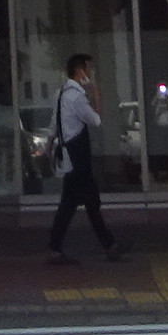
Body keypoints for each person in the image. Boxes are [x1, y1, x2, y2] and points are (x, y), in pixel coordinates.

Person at [45, 54, 122, 262]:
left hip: (69, 156)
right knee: (82, 203)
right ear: (80, 71)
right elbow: (95, 120)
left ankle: (107, 245)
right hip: (79, 158)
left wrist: (49, 146)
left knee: (78, 202)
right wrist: (96, 94)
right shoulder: (77, 97)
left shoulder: (61, 93)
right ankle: (108, 246)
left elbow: (54, 123)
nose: (90, 73)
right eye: (88, 69)